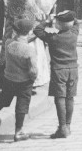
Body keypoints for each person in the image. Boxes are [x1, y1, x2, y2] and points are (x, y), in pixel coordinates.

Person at [0, 17, 37, 141]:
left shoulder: (8, 43)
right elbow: (33, 70)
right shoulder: (29, 50)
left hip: (9, 79)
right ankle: (18, 131)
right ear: (28, 32)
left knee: (3, 99)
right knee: (21, 105)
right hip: (24, 82)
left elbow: (19, 41)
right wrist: (32, 79)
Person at [33, 10, 79, 139]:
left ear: (58, 24)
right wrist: (68, 17)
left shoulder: (52, 37)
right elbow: (76, 23)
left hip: (58, 70)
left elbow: (37, 30)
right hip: (73, 69)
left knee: (60, 98)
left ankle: (62, 127)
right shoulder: (74, 34)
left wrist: (48, 21)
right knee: (70, 97)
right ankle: (68, 126)